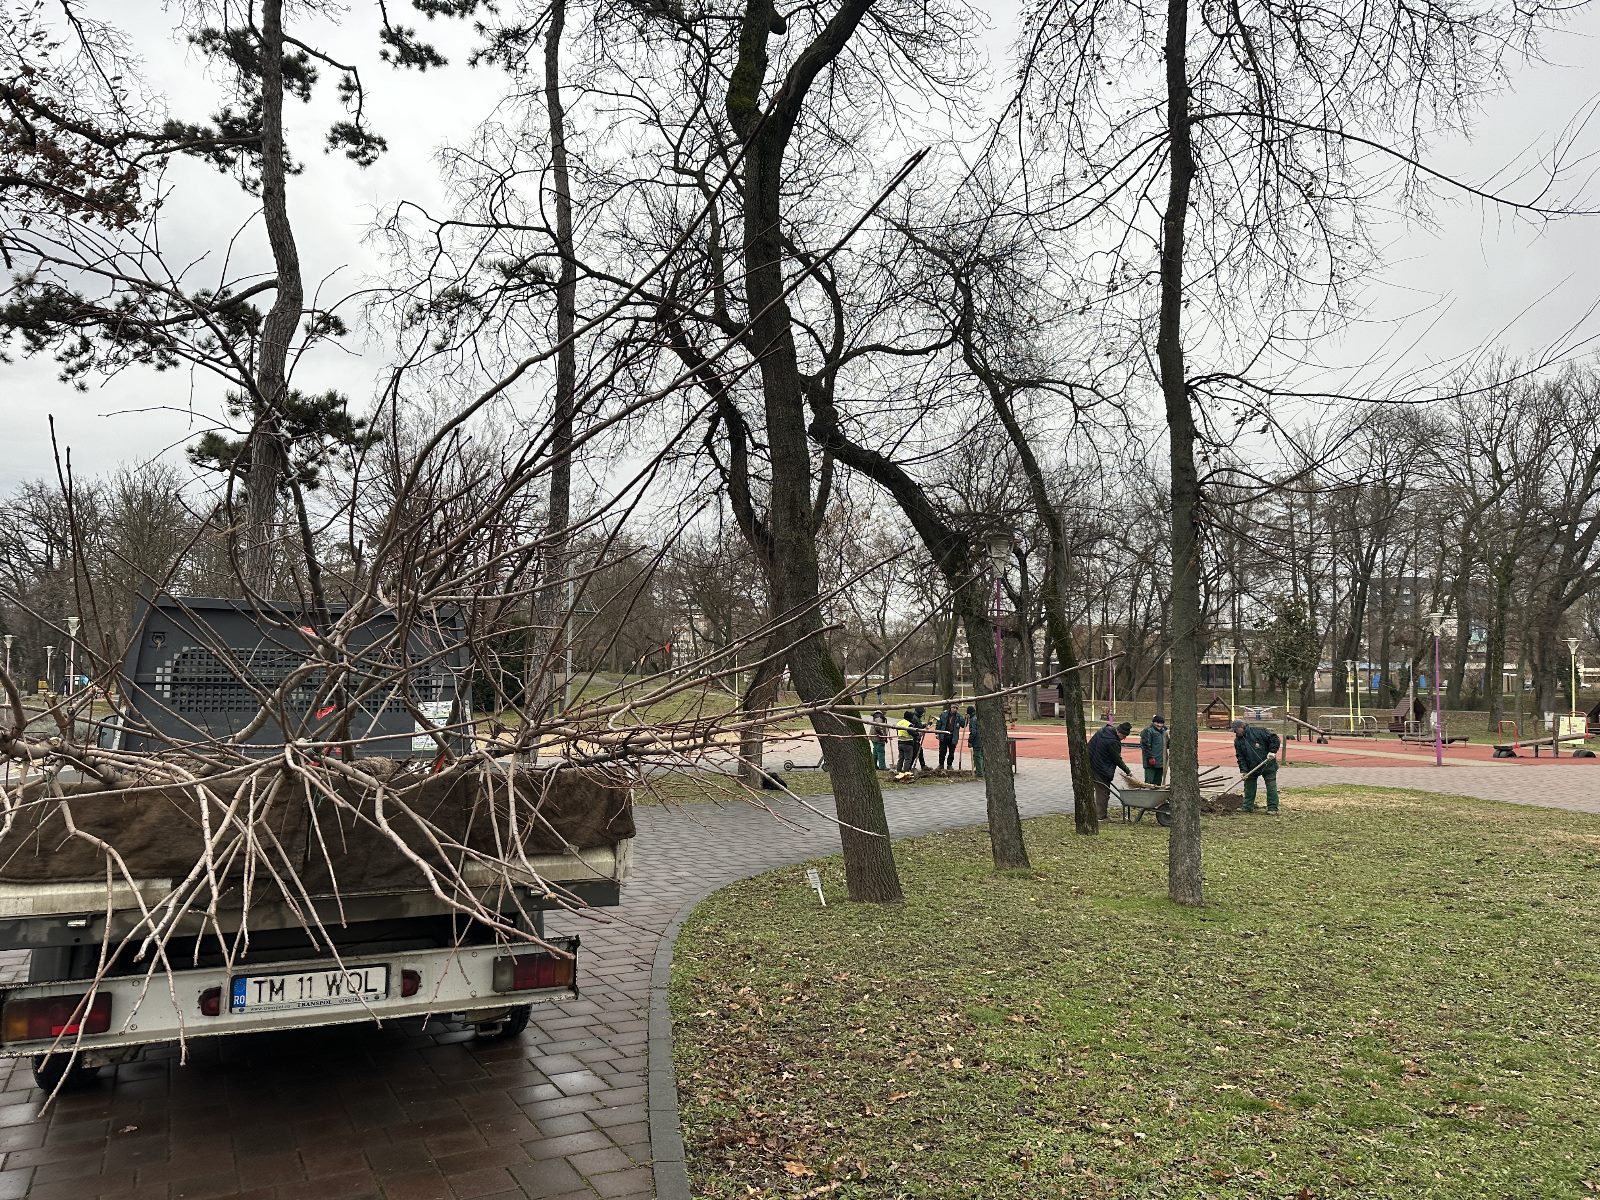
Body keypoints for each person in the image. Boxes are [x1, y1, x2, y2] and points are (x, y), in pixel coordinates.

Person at [1231, 719, 1281, 813]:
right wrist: (1243, 771)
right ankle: (1247, 807)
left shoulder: (1259, 731)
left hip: (1268, 764)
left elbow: (1274, 739)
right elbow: (1240, 756)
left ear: (1242, 727)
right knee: (1249, 786)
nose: (1235, 732)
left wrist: (1272, 751)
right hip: (1252, 767)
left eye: (1236, 730)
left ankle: (1273, 808)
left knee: (1271, 786)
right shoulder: (1238, 741)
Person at [1088, 720, 1134, 820]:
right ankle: (1101, 816)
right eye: (1124, 736)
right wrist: (1128, 771)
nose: (1124, 738)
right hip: (1101, 768)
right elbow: (1117, 759)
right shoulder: (1113, 742)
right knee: (1103, 793)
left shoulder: (1103, 731)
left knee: (1096, 790)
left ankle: (1091, 813)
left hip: (1091, 764)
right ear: (1119, 732)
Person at [1138, 714, 1168, 785]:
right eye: (1157, 723)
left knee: (1158, 783)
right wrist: (1150, 757)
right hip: (1150, 763)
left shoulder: (1164, 732)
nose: (1159, 725)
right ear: (1153, 722)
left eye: (1161, 723)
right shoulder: (1148, 731)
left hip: (1161, 763)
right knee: (1149, 782)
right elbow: (1145, 745)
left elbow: (1168, 744)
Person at [934, 702, 965, 769]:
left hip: (953, 737)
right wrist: (937, 733)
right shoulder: (944, 714)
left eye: (956, 708)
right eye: (954, 708)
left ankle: (949, 765)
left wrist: (965, 719)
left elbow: (963, 725)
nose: (955, 709)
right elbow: (939, 724)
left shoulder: (959, 716)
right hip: (944, 735)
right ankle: (941, 764)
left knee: (951, 752)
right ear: (951, 707)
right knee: (942, 751)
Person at [967, 704, 983, 777]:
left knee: (977, 756)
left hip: (977, 740)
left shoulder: (973, 720)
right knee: (982, 755)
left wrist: (970, 741)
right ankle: (983, 770)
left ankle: (979, 772)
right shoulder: (979, 717)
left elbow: (973, 732)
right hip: (982, 739)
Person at [912, 706, 930, 770]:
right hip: (914, 739)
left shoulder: (916, 718)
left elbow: (919, 726)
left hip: (916, 739)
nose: (923, 714)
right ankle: (909, 767)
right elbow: (914, 728)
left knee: (920, 751)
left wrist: (925, 725)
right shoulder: (914, 718)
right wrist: (922, 729)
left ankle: (923, 766)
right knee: (914, 754)